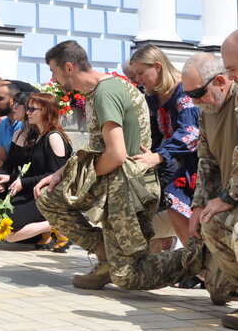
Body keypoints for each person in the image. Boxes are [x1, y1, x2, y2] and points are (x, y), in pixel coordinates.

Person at [36, 40, 204, 291]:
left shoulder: (106, 92)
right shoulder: (100, 91)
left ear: (68, 67)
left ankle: (201, 259)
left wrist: (80, 177)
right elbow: (96, 147)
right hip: (117, 181)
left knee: (127, 277)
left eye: (53, 71)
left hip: (128, 187)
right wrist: (62, 173)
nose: (53, 78)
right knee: (49, 197)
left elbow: (116, 154)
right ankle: (107, 253)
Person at [183, 50, 238, 328]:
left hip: (234, 197)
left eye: (197, 93)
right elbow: (207, 161)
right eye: (188, 95)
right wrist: (198, 206)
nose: (194, 101)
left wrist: (228, 197)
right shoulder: (207, 112)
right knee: (218, 291)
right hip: (232, 199)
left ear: (220, 81)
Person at [129, 44, 200, 259]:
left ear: (158, 67)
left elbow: (190, 133)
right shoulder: (153, 97)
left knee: (177, 204)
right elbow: (153, 133)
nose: (138, 79)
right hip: (175, 165)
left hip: (198, 166)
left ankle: (200, 263)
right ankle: (193, 262)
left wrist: (159, 156)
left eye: (141, 73)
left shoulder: (183, 92)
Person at [0, 93, 73, 251]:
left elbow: (57, 174)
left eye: (32, 109)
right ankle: (50, 228)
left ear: (45, 111)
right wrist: (10, 178)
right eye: (27, 108)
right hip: (36, 191)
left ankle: (59, 223)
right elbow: (32, 170)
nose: (28, 112)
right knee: (0, 220)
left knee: (9, 233)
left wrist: (23, 182)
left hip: (50, 195)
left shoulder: (54, 137)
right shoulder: (38, 137)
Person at [0, 91, 34, 216]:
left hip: (27, 180)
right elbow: (3, 159)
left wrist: (9, 179)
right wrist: (0, 178)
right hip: (14, 175)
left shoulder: (34, 131)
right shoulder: (6, 127)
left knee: (12, 215)